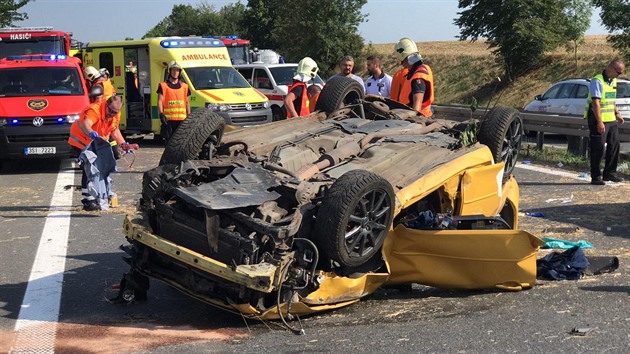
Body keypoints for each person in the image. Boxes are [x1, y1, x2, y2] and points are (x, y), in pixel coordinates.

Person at [68, 94, 130, 210]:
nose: (112, 114)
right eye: (111, 111)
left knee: (101, 168)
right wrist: (91, 132)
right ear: (106, 105)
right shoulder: (95, 110)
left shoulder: (115, 114)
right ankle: (88, 199)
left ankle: (99, 195)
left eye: (115, 112)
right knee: (89, 168)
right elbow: (87, 124)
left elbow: (114, 130)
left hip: (95, 142)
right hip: (81, 140)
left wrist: (123, 144)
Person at [585, 59, 626, 185]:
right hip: (598, 119)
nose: (619, 76)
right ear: (611, 68)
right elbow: (596, 103)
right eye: (618, 72)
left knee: (614, 146)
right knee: (598, 148)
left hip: (611, 119)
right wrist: (600, 122)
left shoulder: (613, 81)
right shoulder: (597, 81)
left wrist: (617, 114)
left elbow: (611, 100)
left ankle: (610, 173)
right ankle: (596, 176)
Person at [392, 38, 434, 117]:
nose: (402, 64)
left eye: (402, 61)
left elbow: (417, 105)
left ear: (407, 58)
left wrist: (412, 121)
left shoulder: (418, 77)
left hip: (419, 118)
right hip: (417, 115)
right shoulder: (421, 69)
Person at [157, 61, 190, 140]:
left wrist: (189, 115)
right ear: (170, 71)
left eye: (177, 70)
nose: (175, 72)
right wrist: (161, 114)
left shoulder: (185, 86)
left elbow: (187, 102)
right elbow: (160, 101)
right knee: (169, 143)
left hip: (182, 120)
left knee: (181, 142)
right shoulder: (163, 85)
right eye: (173, 70)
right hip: (169, 120)